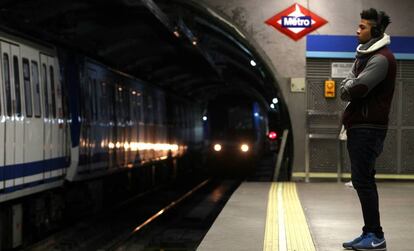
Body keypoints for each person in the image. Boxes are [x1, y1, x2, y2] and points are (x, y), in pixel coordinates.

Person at [339, 8, 396, 251]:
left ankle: (376, 235)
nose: (357, 30)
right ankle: (369, 232)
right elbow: (346, 85)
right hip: (360, 127)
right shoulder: (364, 57)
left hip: (368, 128)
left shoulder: (381, 58)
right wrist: (348, 84)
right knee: (362, 180)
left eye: (362, 27)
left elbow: (356, 89)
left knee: (363, 182)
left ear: (375, 30)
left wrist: (349, 85)